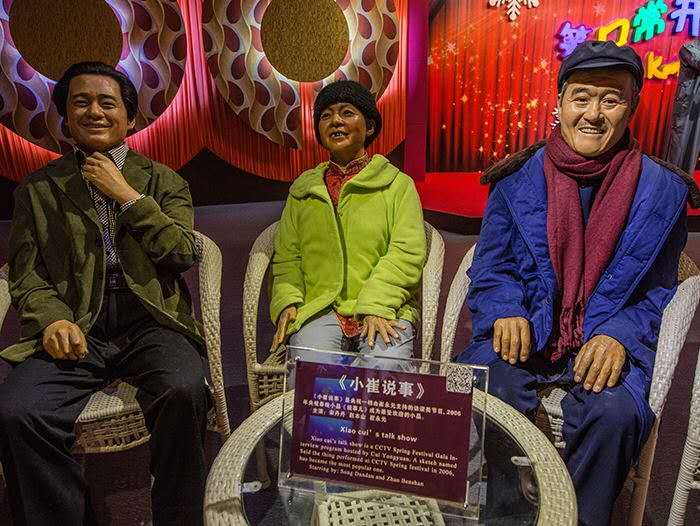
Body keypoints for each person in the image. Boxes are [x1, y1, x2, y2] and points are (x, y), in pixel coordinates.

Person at [455, 41, 699, 525]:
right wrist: (505, 308)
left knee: (616, 414)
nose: (592, 113)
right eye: (581, 97)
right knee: (488, 388)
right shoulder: (516, 178)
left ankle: (577, 517)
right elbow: (490, 267)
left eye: (611, 100)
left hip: (604, 334)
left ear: (631, 107)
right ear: (561, 102)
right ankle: (506, 514)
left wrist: (619, 335)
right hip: (531, 329)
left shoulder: (663, 192)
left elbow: (656, 291)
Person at [0, 62, 209, 525]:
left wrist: (128, 197)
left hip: (150, 319)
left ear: (129, 119)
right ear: (66, 118)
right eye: (81, 102)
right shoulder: (38, 189)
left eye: (107, 103)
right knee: (17, 412)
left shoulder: (162, 180)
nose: (94, 111)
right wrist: (52, 318)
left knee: (184, 388)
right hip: (77, 323)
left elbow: (181, 253)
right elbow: (26, 274)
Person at [270, 80, 426, 370]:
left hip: (387, 305)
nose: (336, 121)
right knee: (311, 372)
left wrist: (376, 305)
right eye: (326, 115)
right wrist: (288, 300)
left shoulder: (397, 185)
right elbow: (288, 256)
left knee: (385, 369)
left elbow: (407, 252)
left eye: (347, 112)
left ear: (369, 126)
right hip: (320, 307)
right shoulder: (302, 191)